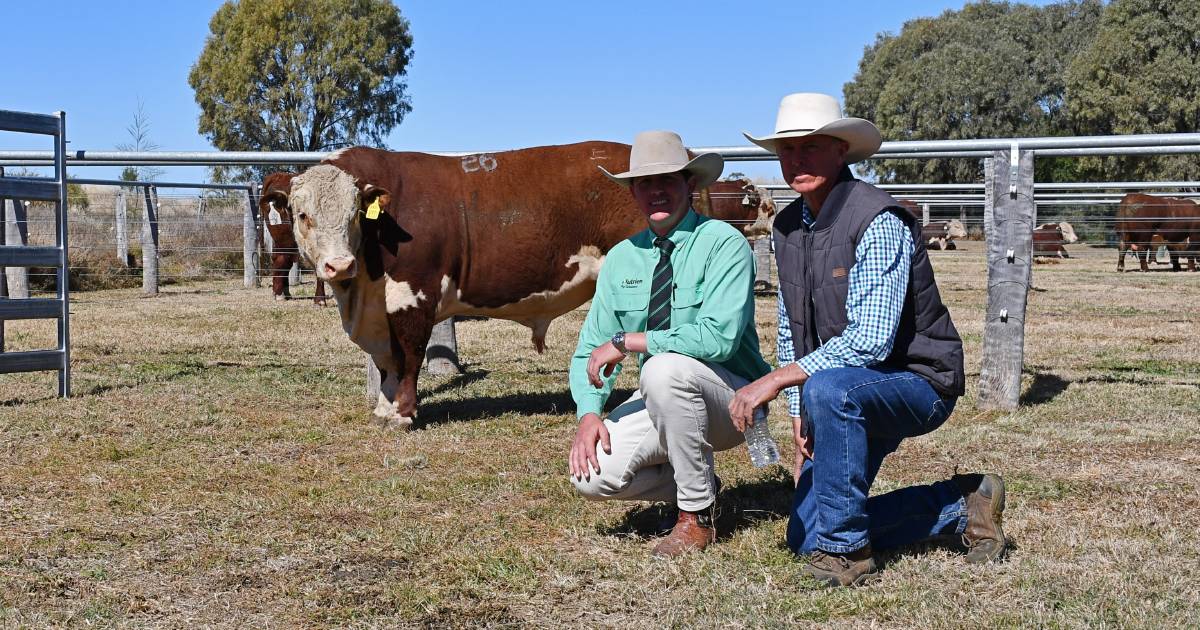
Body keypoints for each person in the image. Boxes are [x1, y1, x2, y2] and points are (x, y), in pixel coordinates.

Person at [728, 93, 1006, 586]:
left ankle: (847, 557)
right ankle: (961, 505)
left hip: (916, 381)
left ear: (841, 151)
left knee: (830, 392)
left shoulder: (878, 217)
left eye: (810, 147)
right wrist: (798, 410)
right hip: (839, 390)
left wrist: (775, 383)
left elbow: (871, 342)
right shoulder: (788, 227)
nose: (796, 160)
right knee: (806, 534)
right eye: (786, 150)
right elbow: (795, 328)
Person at [568, 130, 772, 557]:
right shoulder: (622, 257)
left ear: (690, 185)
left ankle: (695, 516)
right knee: (591, 476)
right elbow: (591, 347)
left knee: (663, 368)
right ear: (634, 192)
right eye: (645, 182)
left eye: (668, 179)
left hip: (732, 398)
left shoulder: (724, 243)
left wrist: (630, 342)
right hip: (665, 396)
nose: (656, 190)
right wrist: (589, 413)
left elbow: (719, 338)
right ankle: (701, 483)